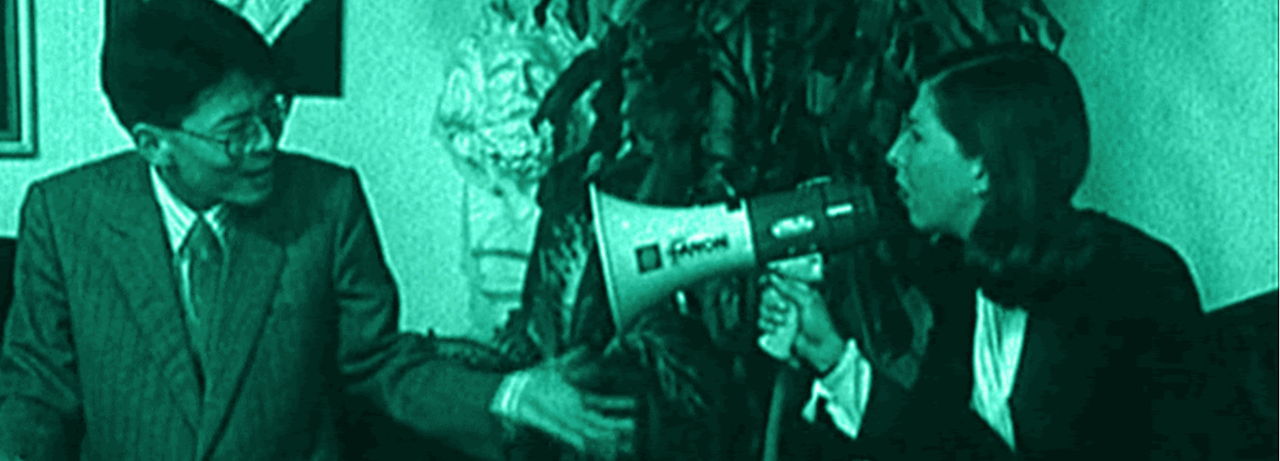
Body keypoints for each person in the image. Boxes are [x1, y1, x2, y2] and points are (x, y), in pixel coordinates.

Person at [0, 2, 632, 460]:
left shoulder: (328, 201)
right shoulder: (63, 215)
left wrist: (512, 395)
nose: (265, 142)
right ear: (154, 144)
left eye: (273, 110)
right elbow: (39, 393)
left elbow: (378, 362)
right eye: (235, 132)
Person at [758, 43, 1203, 459]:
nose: (894, 153)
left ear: (983, 168)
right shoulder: (963, 277)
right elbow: (936, 445)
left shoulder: (1133, 280)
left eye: (916, 134)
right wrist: (830, 357)